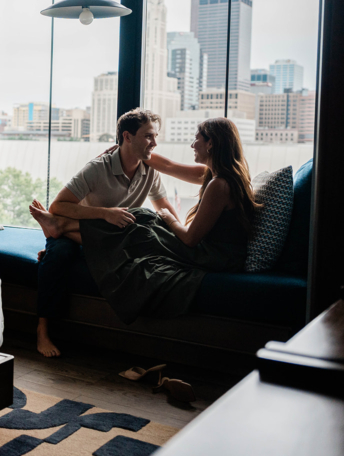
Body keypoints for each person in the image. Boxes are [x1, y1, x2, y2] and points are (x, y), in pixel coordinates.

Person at [77, 117, 261, 328]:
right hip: (220, 253)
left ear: (211, 144)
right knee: (143, 218)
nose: (192, 145)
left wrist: (171, 220)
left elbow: (191, 239)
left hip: (215, 257)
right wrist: (126, 151)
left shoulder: (219, 184)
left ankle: (64, 230)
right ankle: (65, 230)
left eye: (196, 139)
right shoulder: (221, 175)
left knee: (141, 225)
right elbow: (167, 165)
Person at [28, 108, 180, 357]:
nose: (155, 142)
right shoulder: (98, 168)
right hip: (71, 231)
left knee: (140, 228)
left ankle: (60, 230)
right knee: (57, 258)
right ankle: (42, 332)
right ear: (128, 137)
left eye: (155, 136)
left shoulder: (150, 171)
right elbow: (58, 206)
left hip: (106, 235)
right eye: (149, 136)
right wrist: (104, 213)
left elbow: (165, 208)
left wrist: (182, 234)